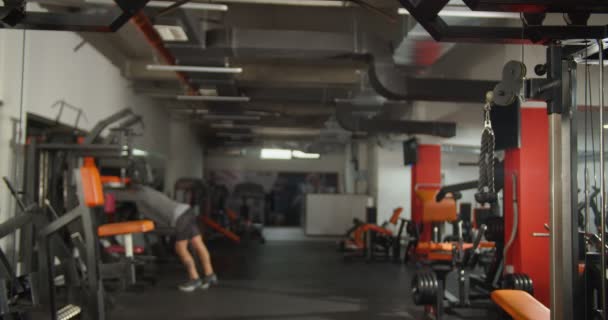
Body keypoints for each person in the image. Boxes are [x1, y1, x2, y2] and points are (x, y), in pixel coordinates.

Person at [110, 185, 218, 292]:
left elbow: (120, 195)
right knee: (198, 243)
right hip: (187, 211)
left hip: (180, 217)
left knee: (180, 248)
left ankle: (194, 278)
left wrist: (105, 192)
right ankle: (210, 275)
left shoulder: (141, 193)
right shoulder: (146, 194)